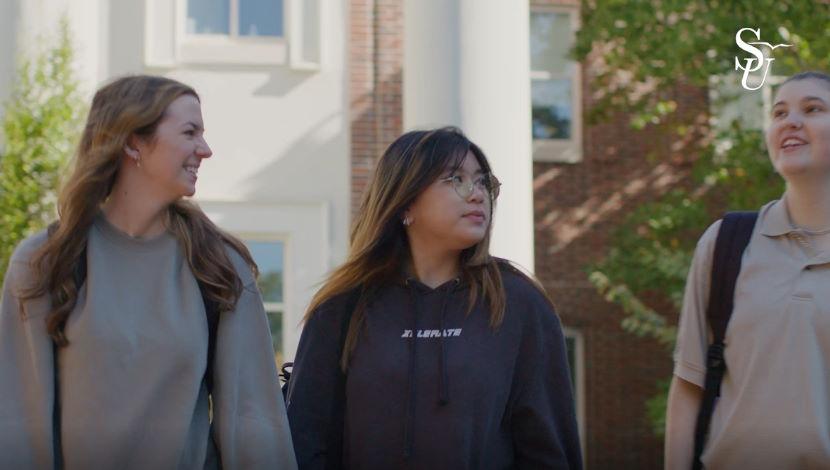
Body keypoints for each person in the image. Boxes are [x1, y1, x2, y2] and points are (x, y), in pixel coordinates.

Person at [0, 75, 297, 469]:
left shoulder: (219, 266)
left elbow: (254, 421)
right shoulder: (45, 262)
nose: (205, 150)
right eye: (190, 132)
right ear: (132, 142)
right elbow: (20, 420)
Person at [286, 127, 582, 469]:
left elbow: (550, 449)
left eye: (483, 182)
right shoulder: (343, 306)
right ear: (404, 203)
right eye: (456, 179)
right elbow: (306, 441)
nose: (477, 194)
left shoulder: (519, 302)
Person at [666, 71, 830, 469]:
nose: (790, 121)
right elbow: (689, 386)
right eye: (778, 113)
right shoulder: (725, 243)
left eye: (812, 109)